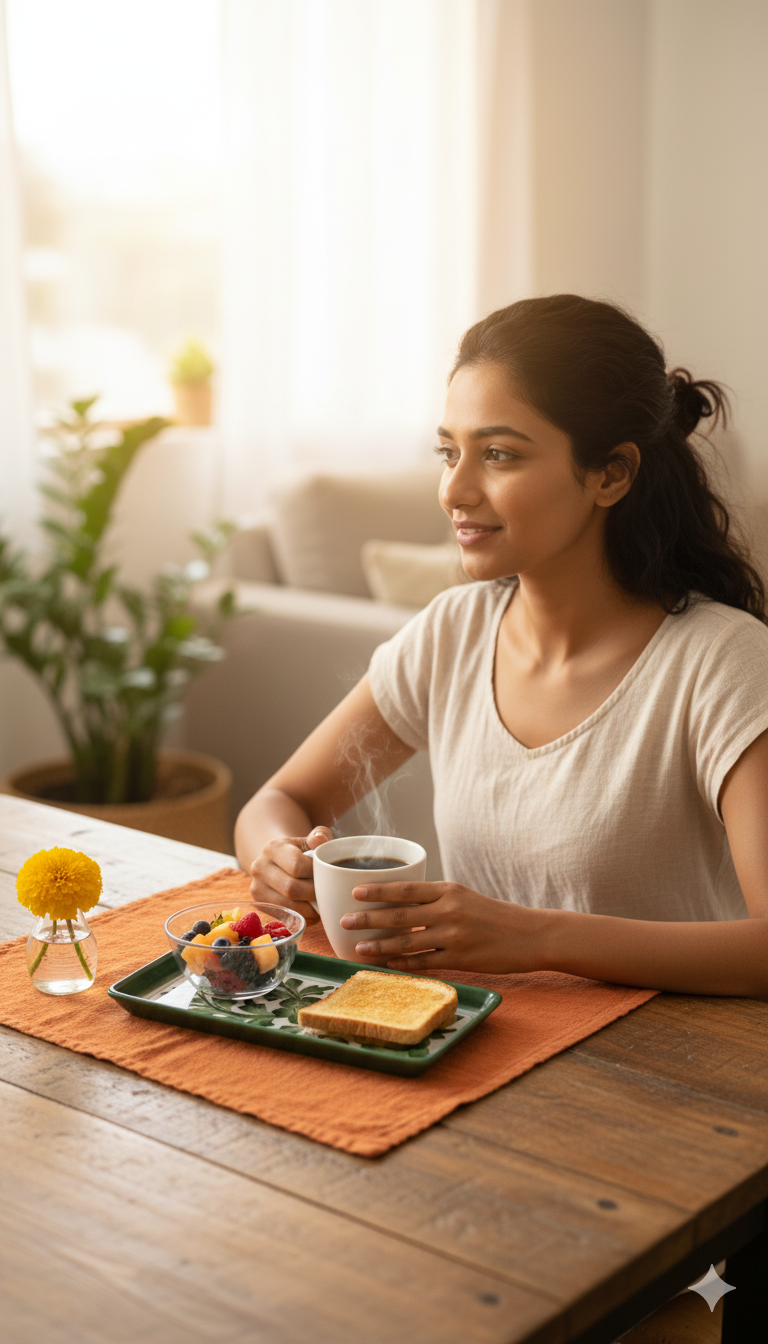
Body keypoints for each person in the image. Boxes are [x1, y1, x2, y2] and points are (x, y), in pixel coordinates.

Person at [235, 295, 768, 998]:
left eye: (498, 455)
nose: (455, 489)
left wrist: (536, 937)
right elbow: (280, 798)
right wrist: (277, 859)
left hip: (666, 1074)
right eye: (448, 452)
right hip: (474, 1042)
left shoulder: (721, 662)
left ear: (611, 474)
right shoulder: (451, 632)